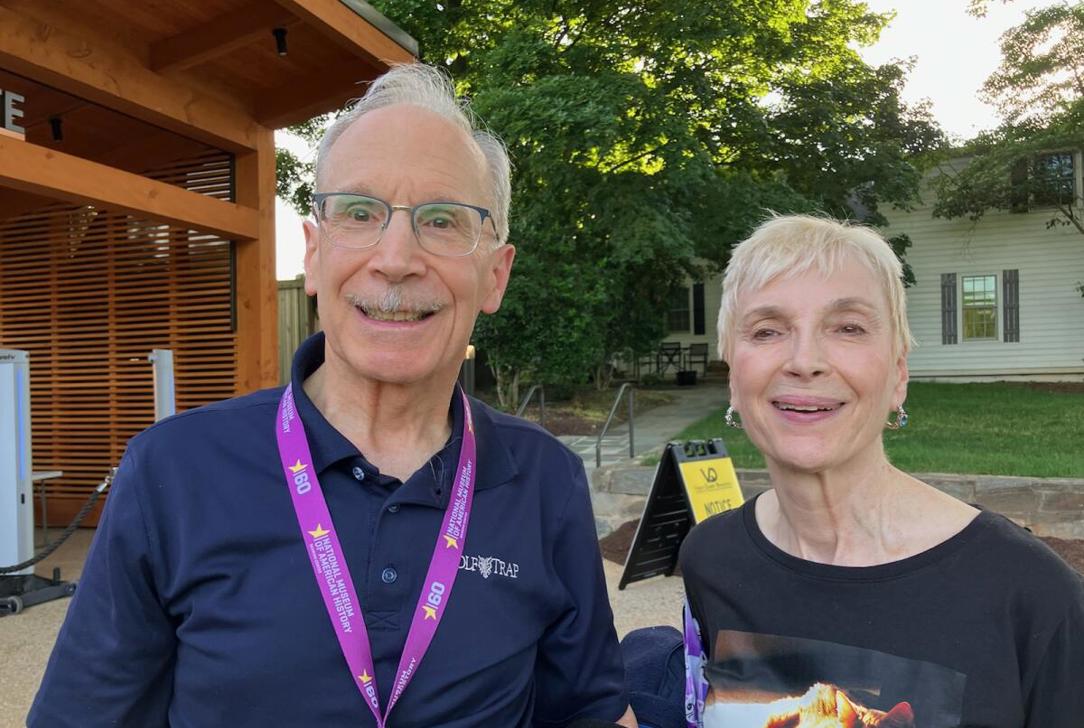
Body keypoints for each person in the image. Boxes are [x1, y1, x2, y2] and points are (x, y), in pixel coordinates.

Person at [30, 63, 636, 728]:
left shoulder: (546, 481)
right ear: (314, 255)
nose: (396, 257)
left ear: (495, 275)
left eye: (442, 220)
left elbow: (591, 712)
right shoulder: (171, 472)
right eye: (359, 212)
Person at [679, 215, 1084, 727]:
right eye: (768, 330)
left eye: (848, 327)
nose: (805, 360)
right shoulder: (710, 559)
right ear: (734, 379)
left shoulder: (1029, 594)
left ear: (898, 375)